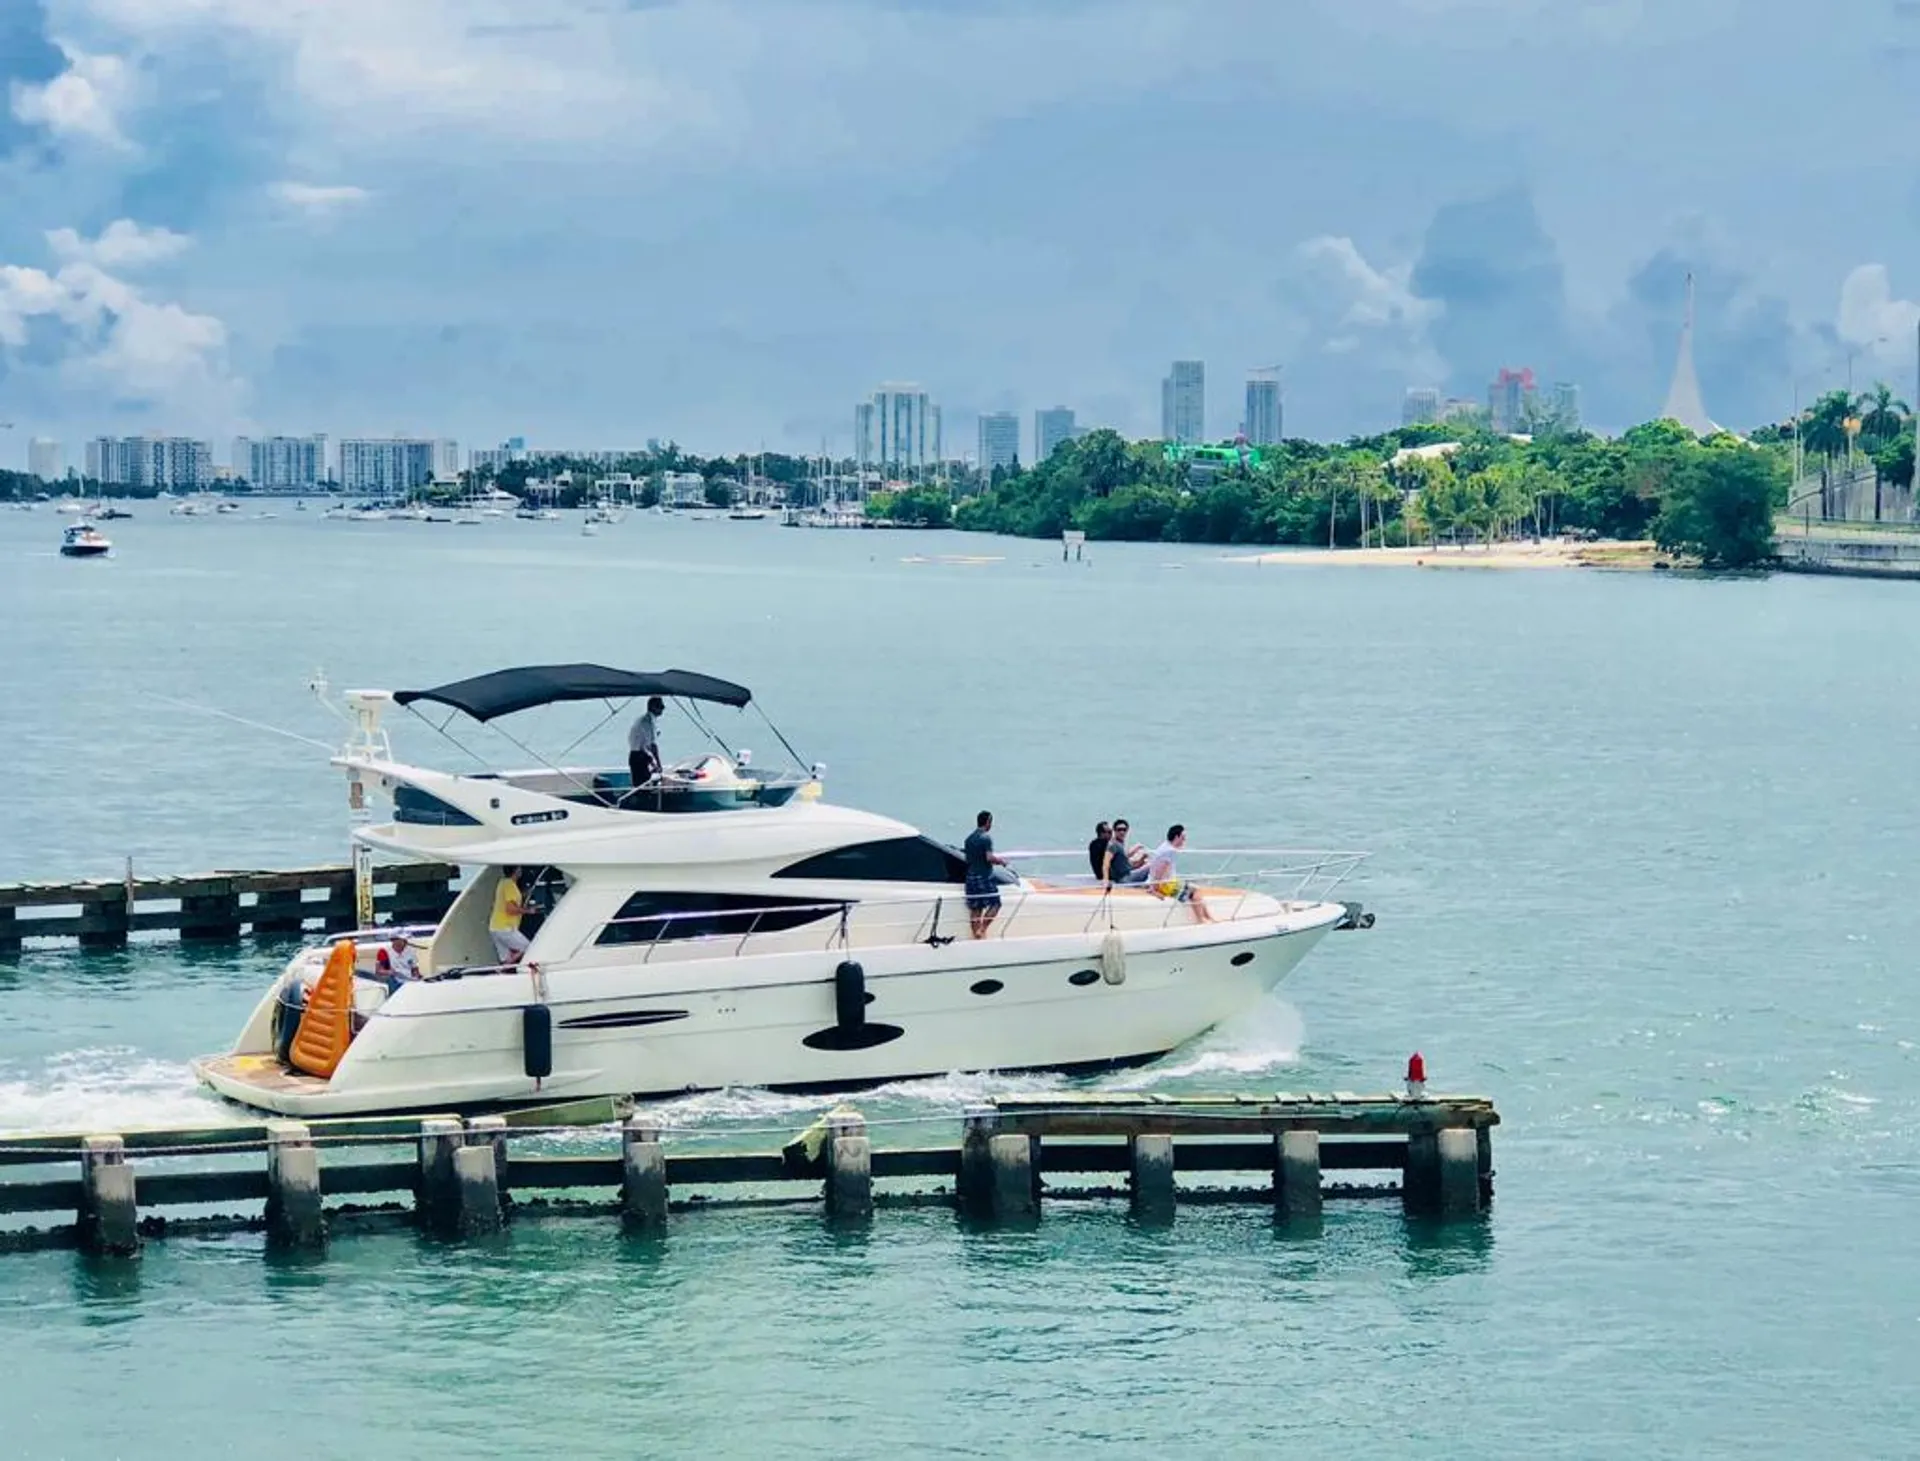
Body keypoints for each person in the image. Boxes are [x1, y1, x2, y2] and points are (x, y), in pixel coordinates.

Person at [1146, 824, 1211, 922]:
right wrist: (1154, 890)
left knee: (1195, 889)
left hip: (1167, 883)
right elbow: (1160, 870)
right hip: (1166, 886)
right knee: (1195, 893)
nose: (1184, 841)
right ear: (1176, 837)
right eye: (1183, 838)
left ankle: (1208, 918)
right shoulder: (1169, 851)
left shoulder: (1165, 846)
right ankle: (1201, 920)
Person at [963, 810, 1008, 939]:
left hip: (971, 876)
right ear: (988, 822)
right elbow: (989, 858)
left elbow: (968, 859)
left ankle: (976, 935)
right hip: (983, 875)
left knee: (976, 908)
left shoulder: (969, 839)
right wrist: (1001, 861)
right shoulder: (985, 838)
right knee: (995, 903)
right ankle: (982, 930)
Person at [490, 865, 531, 964]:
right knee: (528, 947)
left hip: (495, 927)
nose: (521, 870)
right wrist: (529, 911)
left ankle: (502, 971)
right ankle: (508, 964)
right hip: (505, 928)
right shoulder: (510, 885)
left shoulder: (502, 882)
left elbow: (508, 899)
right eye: (519, 868)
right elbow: (510, 909)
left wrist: (524, 895)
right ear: (516, 870)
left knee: (505, 958)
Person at [628, 696, 665, 787]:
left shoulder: (644, 719)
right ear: (652, 707)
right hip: (639, 757)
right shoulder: (647, 722)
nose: (663, 709)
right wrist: (658, 764)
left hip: (638, 755)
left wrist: (653, 763)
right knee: (642, 787)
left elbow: (643, 744)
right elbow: (652, 746)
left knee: (640, 785)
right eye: (660, 706)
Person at [1106, 819, 1148, 884]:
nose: (1122, 832)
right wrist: (1105, 880)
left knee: (1146, 863)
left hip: (1125, 875)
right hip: (1124, 879)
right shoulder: (1113, 845)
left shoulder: (1119, 844)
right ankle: (1152, 886)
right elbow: (1106, 863)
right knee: (1151, 865)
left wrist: (1141, 860)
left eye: (1124, 829)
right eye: (1119, 829)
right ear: (1114, 831)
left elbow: (1124, 862)